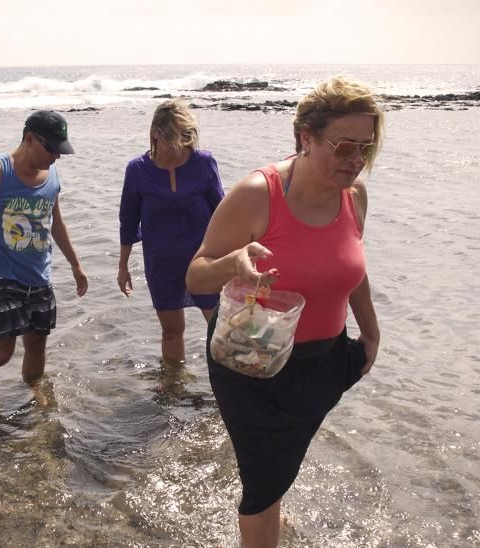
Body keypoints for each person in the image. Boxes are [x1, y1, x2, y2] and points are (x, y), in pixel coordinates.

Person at [185, 76, 383, 548]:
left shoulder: (354, 196)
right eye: (343, 146)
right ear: (306, 138)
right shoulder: (259, 194)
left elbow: (352, 267)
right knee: (262, 484)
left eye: (365, 148)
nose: (355, 160)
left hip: (323, 366)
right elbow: (195, 275)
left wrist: (371, 333)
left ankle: (272, 511)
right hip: (252, 366)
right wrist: (233, 264)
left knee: (280, 468)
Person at [0, 110, 88, 393]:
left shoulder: (52, 176)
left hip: (39, 276)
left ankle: (36, 402)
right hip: (0, 274)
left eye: (60, 150)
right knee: (1, 352)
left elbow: (56, 222)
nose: (56, 156)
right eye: (51, 149)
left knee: (37, 344)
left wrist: (75, 264)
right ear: (29, 139)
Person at [117, 99, 225, 365]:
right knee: (172, 330)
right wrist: (123, 265)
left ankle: (229, 382)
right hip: (161, 263)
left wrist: (233, 257)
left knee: (221, 329)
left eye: (186, 138)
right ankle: (175, 386)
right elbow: (128, 220)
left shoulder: (203, 163)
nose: (180, 147)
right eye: (173, 140)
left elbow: (223, 212)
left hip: (203, 259)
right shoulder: (138, 170)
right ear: (155, 133)